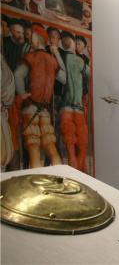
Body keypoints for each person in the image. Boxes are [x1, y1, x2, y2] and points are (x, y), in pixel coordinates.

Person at [14, 23, 66, 168]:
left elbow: (17, 75)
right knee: (50, 144)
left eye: (30, 38)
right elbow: (64, 78)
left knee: (33, 147)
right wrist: (57, 55)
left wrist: (22, 93)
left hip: (30, 107)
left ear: (37, 40)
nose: (29, 41)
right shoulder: (52, 59)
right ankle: (59, 176)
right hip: (45, 110)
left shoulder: (31, 56)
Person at [58, 31, 91, 172]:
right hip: (78, 107)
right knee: (82, 145)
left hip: (65, 107)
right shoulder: (79, 61)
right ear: (71, 44)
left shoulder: (60, 59)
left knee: (70, 146)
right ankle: (80, 175)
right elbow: (89, 73)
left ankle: (76, 175)